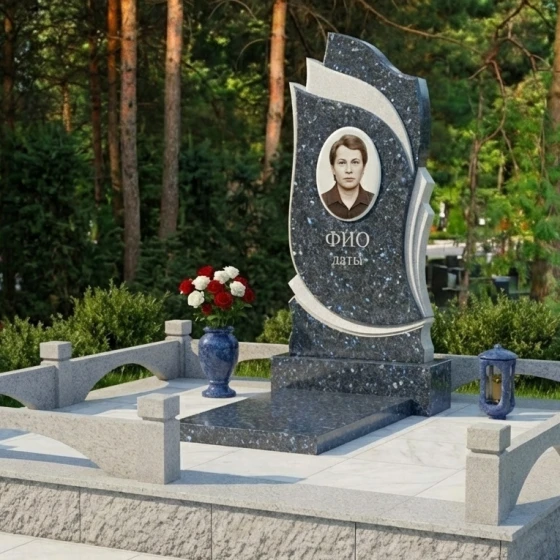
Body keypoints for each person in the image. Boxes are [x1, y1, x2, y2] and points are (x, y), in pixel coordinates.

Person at [321, 134, 373, 220]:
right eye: (342, 163)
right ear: (333, 168)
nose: (349, 170)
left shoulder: (373, 201)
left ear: (363, 167)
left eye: (355, 162)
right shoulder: (321, 201)